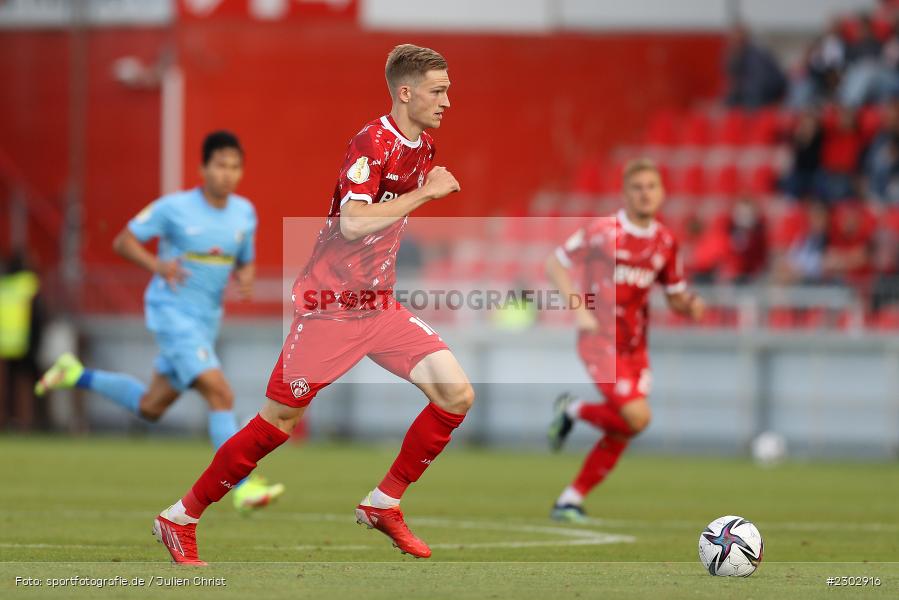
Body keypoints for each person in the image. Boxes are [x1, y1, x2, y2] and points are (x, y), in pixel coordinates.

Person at [151, 44, 473, 565]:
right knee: (276, 423)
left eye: (448, 90)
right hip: (330, 306)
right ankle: (179, 517)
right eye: (438, 91)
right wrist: (426, 196)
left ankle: (383, 503)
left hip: (378, 306)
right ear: (405, 92)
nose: (447, 101)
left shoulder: (425, 147)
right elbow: (353, 222)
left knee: (456, 393)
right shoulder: (372, 144)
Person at [34, 131, 283, 513]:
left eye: (235, 167)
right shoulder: (174, 208)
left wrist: (245, 276)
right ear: (203, 169)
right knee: (220, 393)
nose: (227, 174)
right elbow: (123, 241)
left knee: (150, 407)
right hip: (172, 314)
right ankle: (244, 486)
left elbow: (244, 258)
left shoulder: (244, 213)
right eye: (220, 165)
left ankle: (74, 374)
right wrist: (157, 265)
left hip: (205, 322)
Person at [545, 158, 705, 522]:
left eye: (651, 186)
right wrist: (580, 310)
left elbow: (675, 294)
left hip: (635, 347)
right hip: (599, 340)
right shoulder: (603, 231)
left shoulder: (665, 242)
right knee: (637, 417)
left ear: (662, 193)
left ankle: (569, 498)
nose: (645, 193)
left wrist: (691, 306)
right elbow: (554, 264)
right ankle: (573, 410)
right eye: (637, 187)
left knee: (626, 426)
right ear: (625, 192)